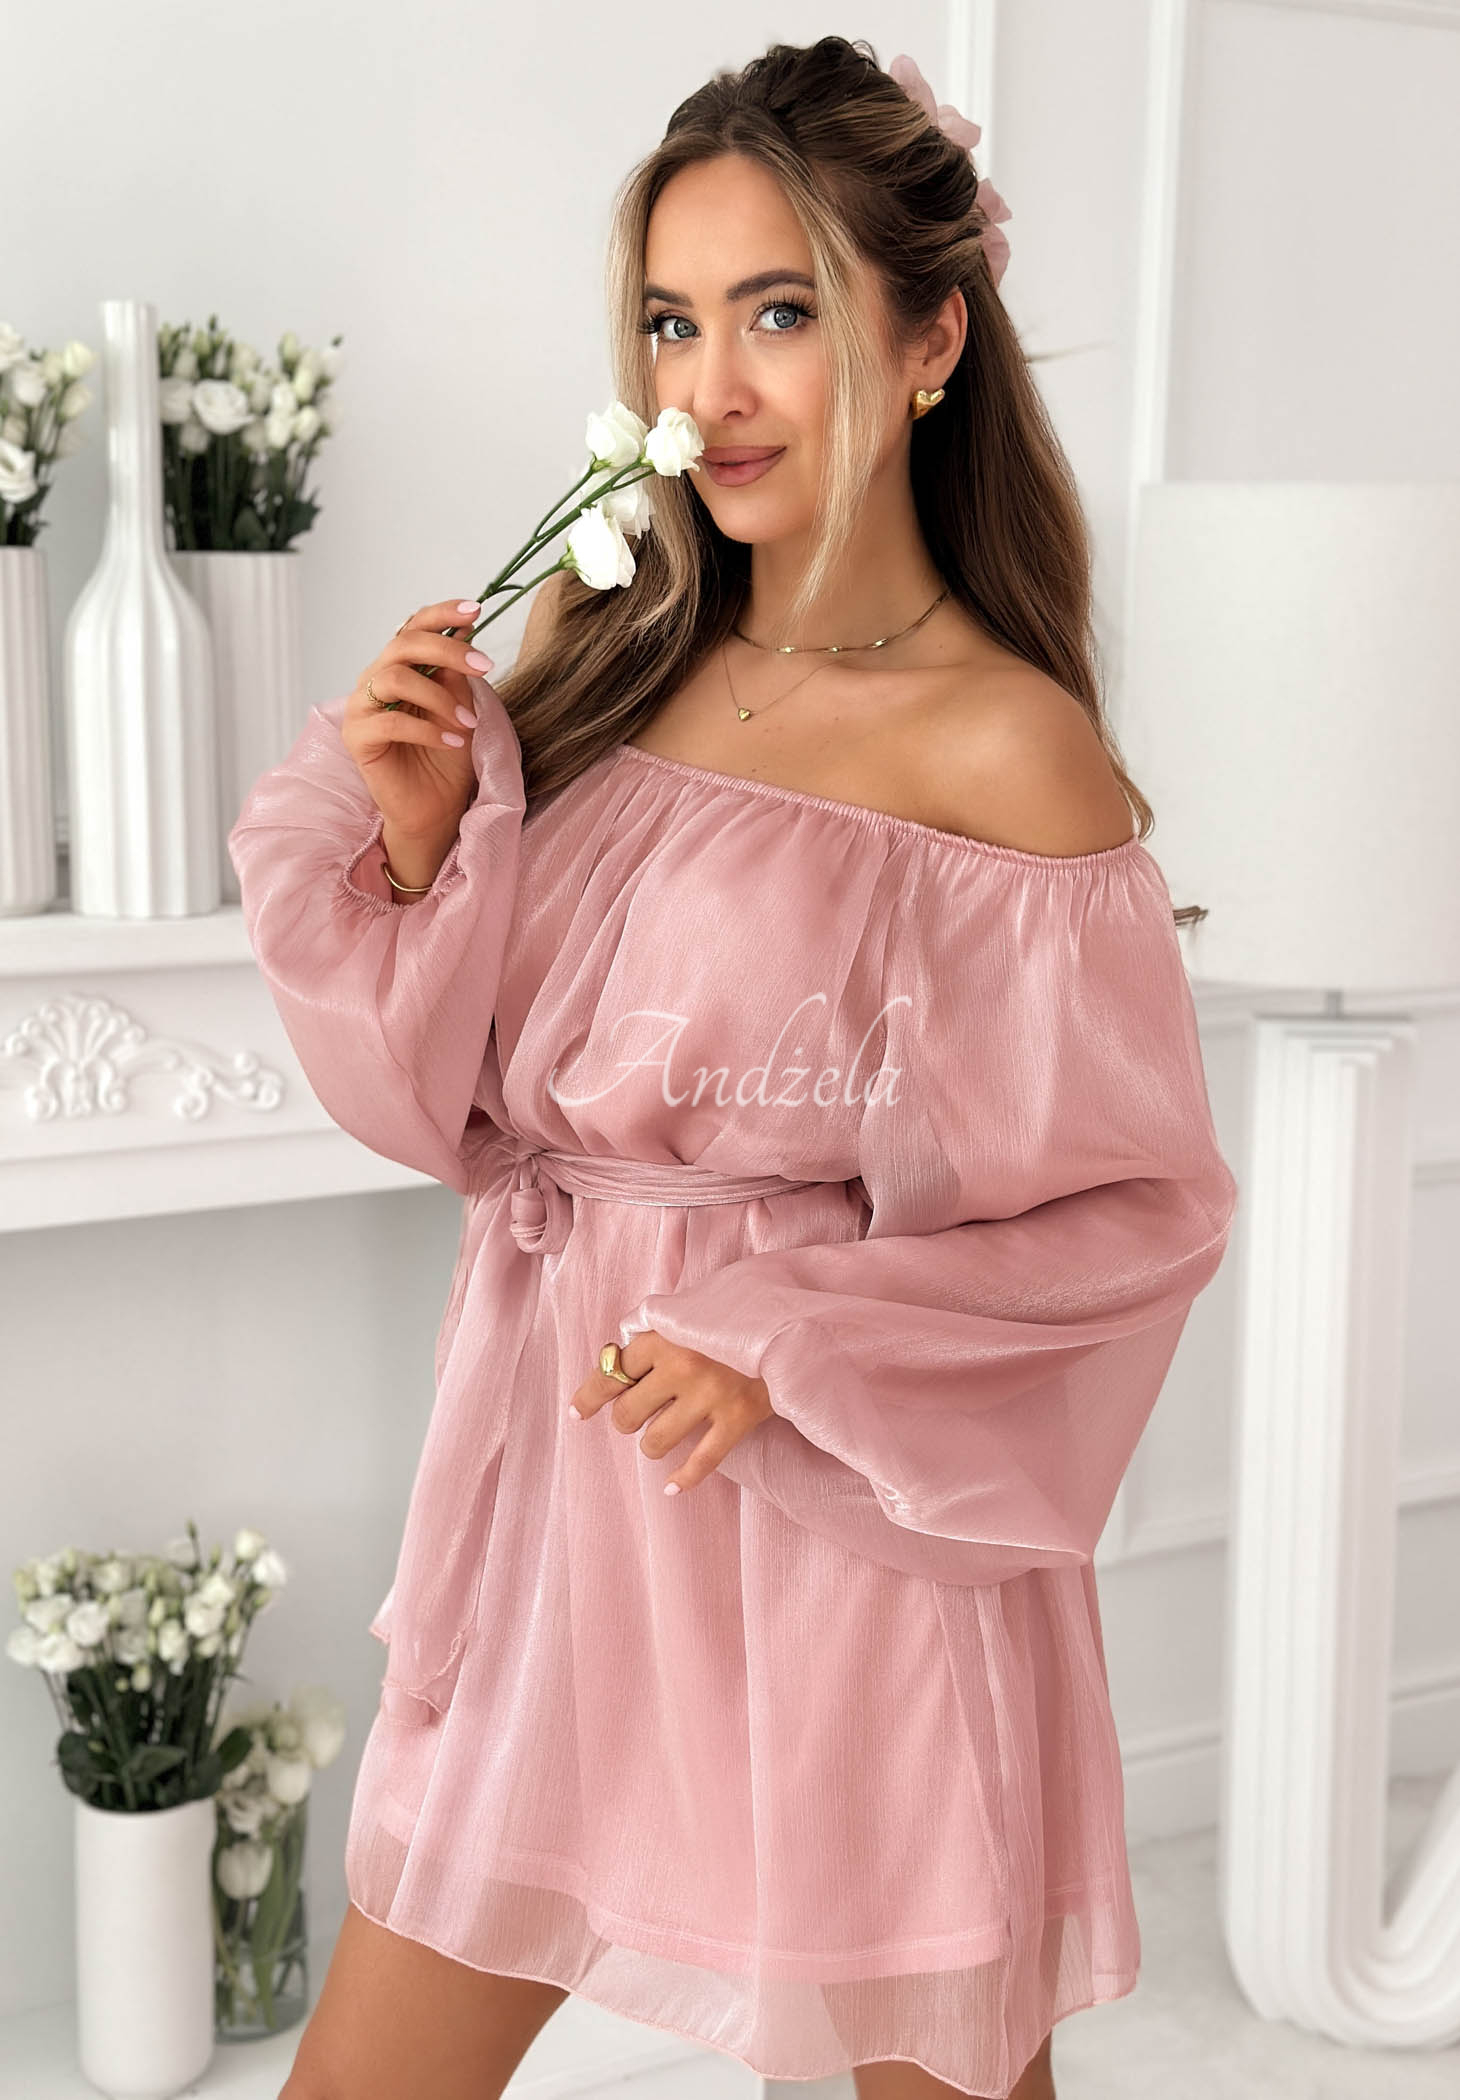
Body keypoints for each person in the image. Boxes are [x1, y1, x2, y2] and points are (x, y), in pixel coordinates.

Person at [232, 35, 1238, 2100]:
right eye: (673, 323)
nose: (708, 389)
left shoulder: (1007, 752)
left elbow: (1129, 1220)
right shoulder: (611, 671)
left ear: (932, 338)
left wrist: (787, 1340)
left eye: (778, 312)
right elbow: (460, 1112)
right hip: (560, 1495)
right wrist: (418, 846)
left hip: (834, 1523)